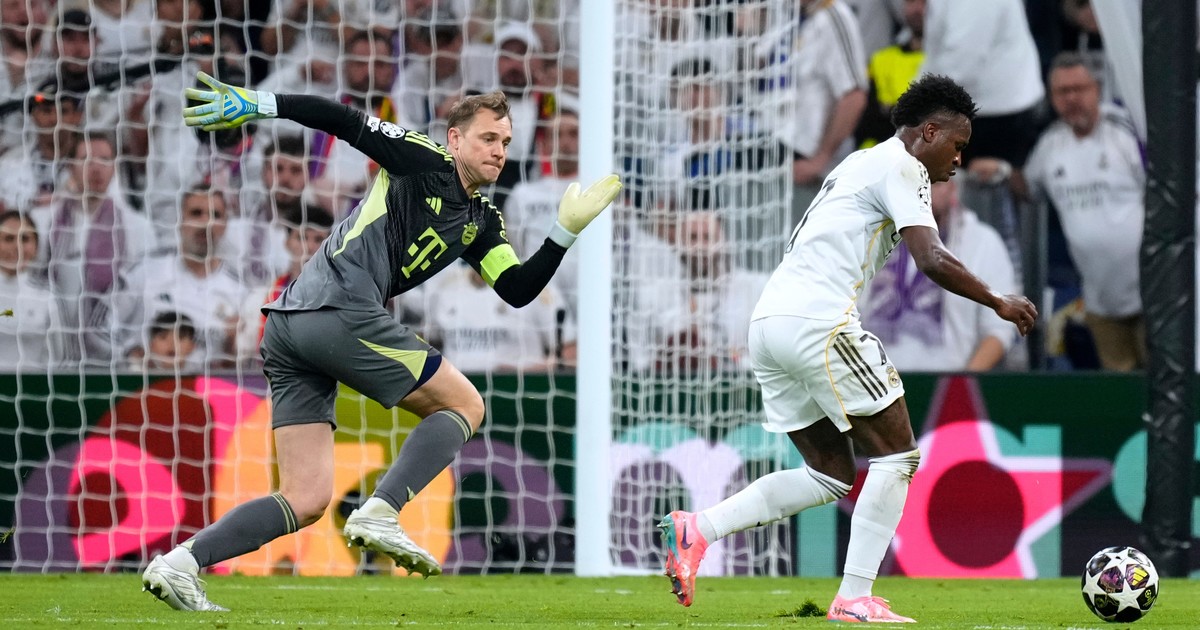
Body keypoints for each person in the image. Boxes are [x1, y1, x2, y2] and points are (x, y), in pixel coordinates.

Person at [140, 70, 621, 612]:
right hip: (337, 307)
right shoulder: (422, 159)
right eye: (488, 138)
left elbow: (515, 289)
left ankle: (180, 563)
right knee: (465, 404)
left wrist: (563, 233)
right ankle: (382, 510)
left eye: (506, 142)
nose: (499, 151)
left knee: (306, 497)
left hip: (291, 326)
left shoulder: (481, 220)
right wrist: (260, 103)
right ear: (455, 138)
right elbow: (342, 120)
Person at [658, 75, 1037, 622]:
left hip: (769, 323)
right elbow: (931, 259)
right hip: (818, 322)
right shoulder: (903, 166)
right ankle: (855, 595)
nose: (959, 159)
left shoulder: (860, 161)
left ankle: (700, 528)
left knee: (830, 472)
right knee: (898, 454)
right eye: (957, 144)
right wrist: (997, 299)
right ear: (929, 132)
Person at [1021, 52, 1145, 371]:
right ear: (1052, 98)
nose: (1072, 98)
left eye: (1079, 89)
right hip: (1100, 301)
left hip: (1155, 295)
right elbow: (1028, 188)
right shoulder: (1050, 145)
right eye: (1063, 92)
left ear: (1097, 90)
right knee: (1122, 391)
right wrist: (1001, 173)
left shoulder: (1126, 132)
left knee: (1167, 384)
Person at [858, 179, 1018, 371]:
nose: (924, 191)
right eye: (914, 181)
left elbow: (999, 329)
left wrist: (960, 383)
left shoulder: (982, 242)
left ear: (952, 188)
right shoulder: (869, 237)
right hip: (870, 381)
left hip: (946, 377)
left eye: (934, 182)